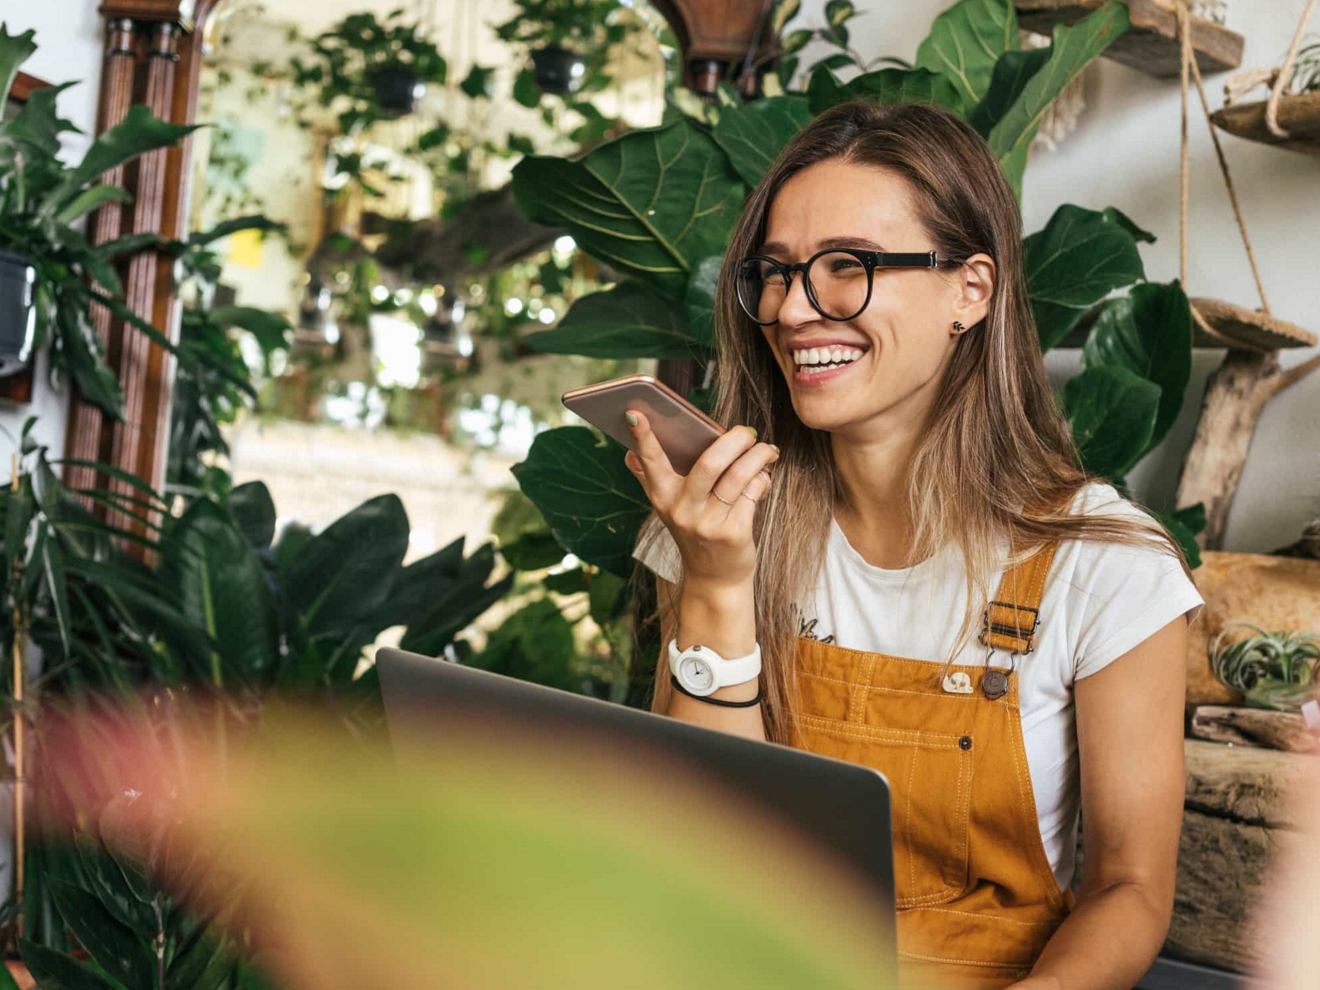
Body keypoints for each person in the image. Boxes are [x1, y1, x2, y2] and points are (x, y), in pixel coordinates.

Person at [624, 100, 1204, 990]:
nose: (794, 311)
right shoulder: (724, 521)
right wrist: (716, 579)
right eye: (775, 274)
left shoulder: (1109, 567)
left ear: (970, 291)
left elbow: (1129, 891)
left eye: (847, 267)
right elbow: (704, 844)